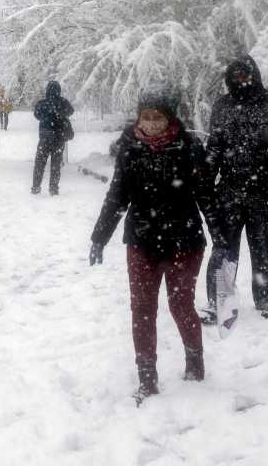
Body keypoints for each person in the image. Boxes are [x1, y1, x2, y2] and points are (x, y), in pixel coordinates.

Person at [88, 86, 211, 405]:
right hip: (142, 240)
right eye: (146, 116)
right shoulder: (130, 148)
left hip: (184, 239)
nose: (151, 123)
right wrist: (99, 237)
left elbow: (206, 195)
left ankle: (195, 364)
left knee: (180, 304)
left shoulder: (189, 147)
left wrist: (223, 239)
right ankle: (147, 378)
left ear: (170, 118)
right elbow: (117, 195)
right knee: (142, 309)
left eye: (158, 117)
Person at [201, 55, 268, 321]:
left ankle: (265, 302)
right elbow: (215, 147)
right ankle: (217, 302)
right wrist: (206, 183)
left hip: (263, 193)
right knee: (223, 250)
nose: (241, 81)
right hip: (229, 191)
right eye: (236, 76)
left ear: (254, 75)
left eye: (245, 75)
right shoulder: (222, 106)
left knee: (265, 250)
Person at [31, 80, 73, 195]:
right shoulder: (63, 102)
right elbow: (71, 111)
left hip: (44, 136)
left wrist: (47, 115)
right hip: (59, 138)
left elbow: (36, 115)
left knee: (39, 163)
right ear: (59, 90)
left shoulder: (42, 103)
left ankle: (35, 187)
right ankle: (53, 189)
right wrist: (59, 113)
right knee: (56, 164)